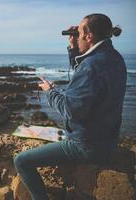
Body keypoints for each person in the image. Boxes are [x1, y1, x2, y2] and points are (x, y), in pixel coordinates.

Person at [13, 13, 127, 200]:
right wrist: (74, 47)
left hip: (86, 145)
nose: (77, 34)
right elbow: (85, 77)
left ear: (89, 36)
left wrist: (50, 91)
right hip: (107, 140)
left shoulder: (91, 66)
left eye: (80, 32)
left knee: (21, 161)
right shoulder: (115, 58)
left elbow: (71, 111)